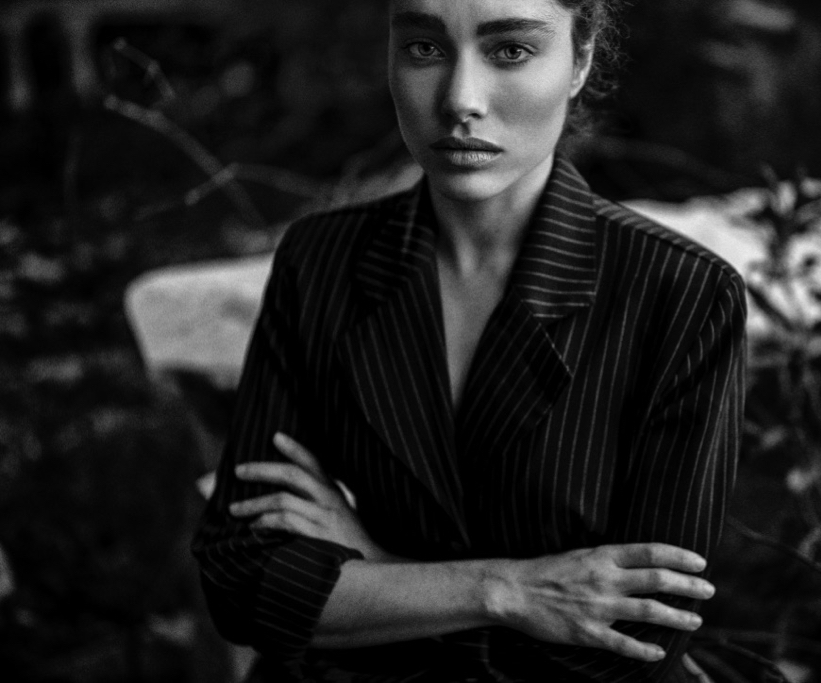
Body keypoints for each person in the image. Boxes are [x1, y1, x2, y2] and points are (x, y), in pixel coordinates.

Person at [192, 0, 747, 681]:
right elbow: (241, 580)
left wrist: (375, 573)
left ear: (580, 59)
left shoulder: (682, 294)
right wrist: (503, 591)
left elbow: (635, 637)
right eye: (424, 48)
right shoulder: (320, 261)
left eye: (510, 50)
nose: (459, 100)